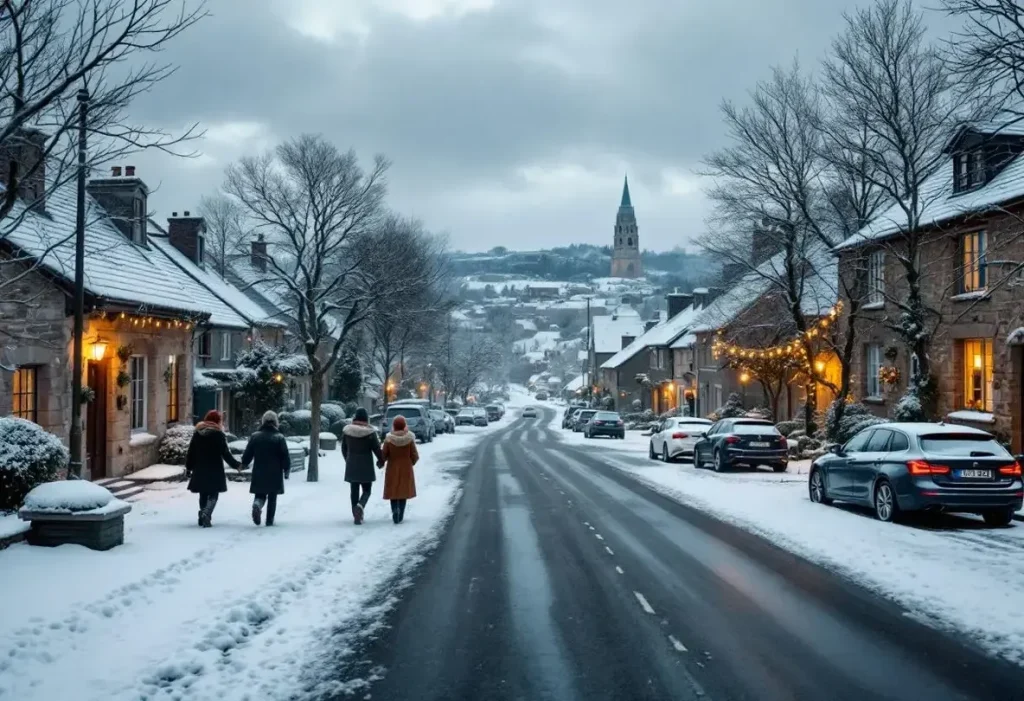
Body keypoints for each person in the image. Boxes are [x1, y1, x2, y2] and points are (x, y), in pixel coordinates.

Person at [185, 409, 241, 527]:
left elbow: (191, 452)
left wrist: (189, 468)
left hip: (200, 468)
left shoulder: (197, 434)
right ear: (217, 421)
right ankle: (206, 513)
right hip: (215, 469)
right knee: (214, 494)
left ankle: (203, 515)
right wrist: (237, 465)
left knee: (203, 493)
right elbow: (225, 454)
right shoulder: (219, 435)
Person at [241, 410, 291, 526]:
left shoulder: (255, 436)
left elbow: (248, 454)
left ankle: (257, 505)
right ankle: (269, 521)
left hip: (259, 471)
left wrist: (243, 464)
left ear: (263, 422)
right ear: (275, 422)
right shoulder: (279, 437)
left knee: (260, 493)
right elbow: (285, 456)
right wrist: (286, 470)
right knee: (272, 497)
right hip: (275, 472)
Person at [342, 407, 382, 524]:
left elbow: (344, 448)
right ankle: (360, 505)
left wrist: (348, 459)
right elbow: (376, 448)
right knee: (367, 490)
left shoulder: (347, 431)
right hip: (366, 466)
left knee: (354, 490)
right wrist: (381, 460)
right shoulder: (370, 432)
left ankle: (355, 513)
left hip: (352, 465)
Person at [379, 415, 419, 524]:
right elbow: (415, 455)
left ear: (394, 425)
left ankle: (394, 510)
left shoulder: (389, 439)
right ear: (404, 425)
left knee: (393, 491)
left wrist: (383, 460)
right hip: (406, 467)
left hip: (392, 467)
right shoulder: (409, 438)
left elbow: (384, 454)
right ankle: (401, 512)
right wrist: (410, 463)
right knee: (403, 491)